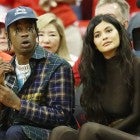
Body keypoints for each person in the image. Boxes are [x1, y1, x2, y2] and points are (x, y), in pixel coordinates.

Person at [49, 14, 140, 140]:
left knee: (90, 129)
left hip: (134, 134)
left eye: (109, 30)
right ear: (94, 44)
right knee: (61, 132)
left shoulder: (136, 64)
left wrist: (106, 131)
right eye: (98, 35)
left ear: (119, 32)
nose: (105, 37)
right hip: (103, 132)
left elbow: (137, 115)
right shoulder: (93, 71)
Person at [0, 6, 75, 140]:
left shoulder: (58, 66)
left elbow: (62, 116)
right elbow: (4, 121)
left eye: (29, 28)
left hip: (52, 133)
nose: (24, 34)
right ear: (8, 36)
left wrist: (18, 104)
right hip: (14, 129)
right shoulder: (6, 69)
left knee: (14, 132)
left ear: (36, 32)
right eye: (17, 30)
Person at [73, 0, 130, 87]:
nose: (103, 23)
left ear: (124, 25)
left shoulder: (135, 54)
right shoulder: (88, 56)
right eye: (98, 19)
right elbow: (72, 81)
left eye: (110, 18)